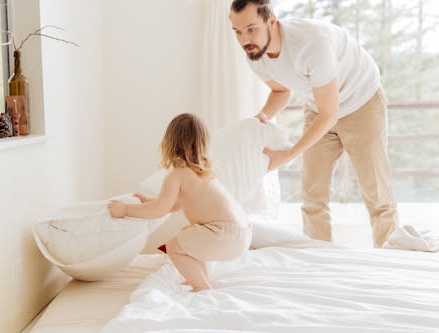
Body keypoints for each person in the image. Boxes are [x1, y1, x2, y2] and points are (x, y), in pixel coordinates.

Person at [229, 0, 398, 247]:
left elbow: (330, 114)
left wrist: (287, 155)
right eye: (238, 32)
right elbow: (281, 90)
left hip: (362, 102)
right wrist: (261, 118)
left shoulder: (312, 44)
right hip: (320, 104)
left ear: (271, 21)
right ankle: (319, 259)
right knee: (312, 196)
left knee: (377, 195)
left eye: (252, 28)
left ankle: (392, 258)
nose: (245, 39)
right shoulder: (255, 54)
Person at [108, 113, 251, 292]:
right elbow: (174, 204)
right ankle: (200, 276)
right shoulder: (204, 173)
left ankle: (200, 285)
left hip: (223, 234)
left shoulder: (177, 176)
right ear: (203, 144)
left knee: (175, 247)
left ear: (169, 144)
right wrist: (149, 202)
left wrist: (126, 210)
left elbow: (160, 209)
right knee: (191, 241)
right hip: (240, 234)